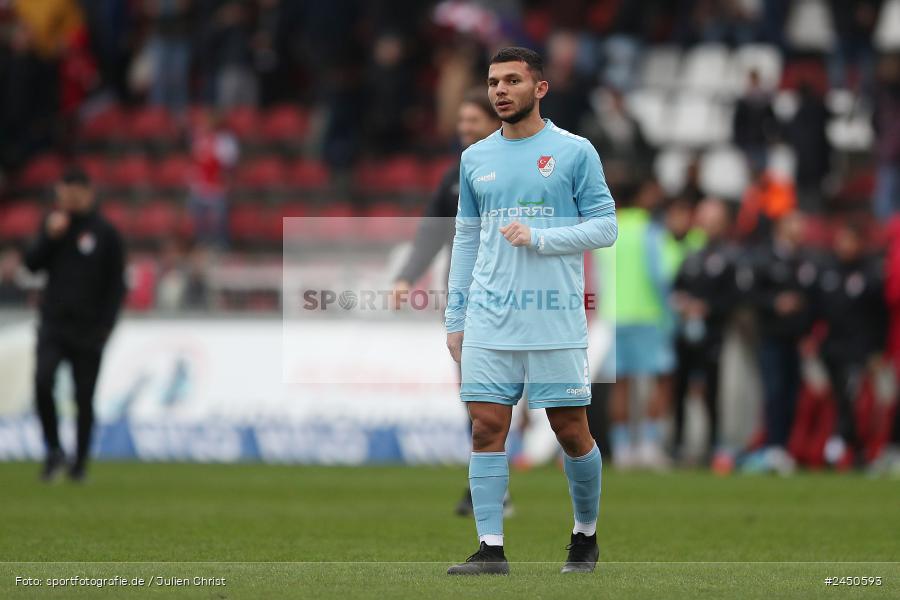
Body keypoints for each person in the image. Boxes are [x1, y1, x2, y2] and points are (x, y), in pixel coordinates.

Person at [444, 47, 617, 575]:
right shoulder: (475, 158)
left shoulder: (574, 152)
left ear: (540, 89)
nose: (500, 90)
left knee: (571, 431)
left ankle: (584, 535)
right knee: (485, 428)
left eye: (512, 80)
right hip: (489, 317)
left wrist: (541, 238)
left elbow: (606, 226)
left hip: (553, 316)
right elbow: (466, 240)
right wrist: (456, 317)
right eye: (493, 81)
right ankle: (490, 549)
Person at [391, 88, 502, 516]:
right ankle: (488, 488)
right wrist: (406, 276)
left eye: (473, 120)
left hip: (513, 298)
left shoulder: (516, 170)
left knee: (506, 398)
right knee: (475, 398)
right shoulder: (455, 176)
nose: (464, 128)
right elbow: (431, 232)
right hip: (466, 303)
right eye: (461, 121)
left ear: (494, 122)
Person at [23, 167, 126, 482]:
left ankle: (79, 463)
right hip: (53, 325)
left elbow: (116, 284)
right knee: (42, 382)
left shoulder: (106, 233)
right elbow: (31, 264)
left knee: (84, 397)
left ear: (87, 193)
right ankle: (54, 451)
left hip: (88, 330)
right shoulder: (54, 226)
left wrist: (106, 326)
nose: (68, 199)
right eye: (63, 193)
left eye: (73, 192)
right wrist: (49, 237)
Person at [744, 212, 818, 474]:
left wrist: (809, 331)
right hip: (772, 337)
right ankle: (773, 446)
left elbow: (815, 299)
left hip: (796, 339)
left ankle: (784, 446)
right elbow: (751, 295)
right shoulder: (764, 258)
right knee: (774, 392)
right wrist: (774, 303)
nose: (799, 229)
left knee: (791, 394)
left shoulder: (805, 260)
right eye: (794, 223)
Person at [813, 221, 887, 467]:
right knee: (838, 398)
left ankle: (841, 446)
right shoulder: (828, 272)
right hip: (831, 348)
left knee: (852, 397)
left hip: (858, 349)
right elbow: (816, 309)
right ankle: (849, 447)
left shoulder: (870, 275)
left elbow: (879, 317)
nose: (844, 246)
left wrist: (877, 349)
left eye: (849, 241)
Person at [671, 198, 739, 463]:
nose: (708, 226)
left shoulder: (729, 257)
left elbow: (734, 298)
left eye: (713, 221)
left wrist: (708, 308)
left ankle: (713, 445)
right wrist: (682, 303)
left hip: (713, 334)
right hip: (686, 334)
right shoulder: (691, 255)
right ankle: (678, 444)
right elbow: (676, 287)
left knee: (712, 391)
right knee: (679, 389)